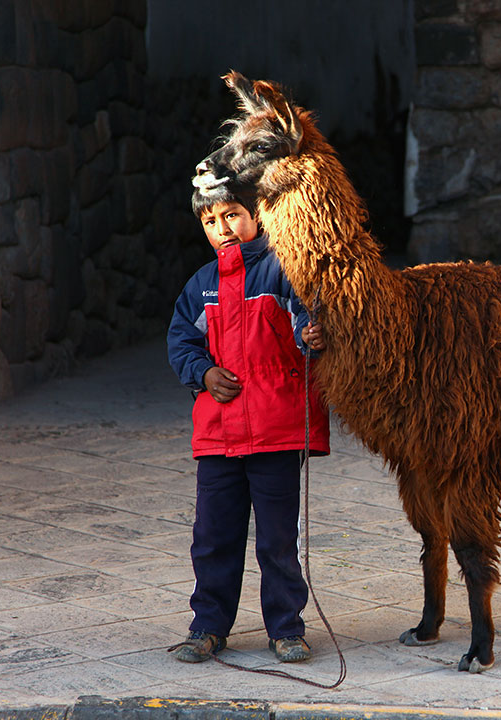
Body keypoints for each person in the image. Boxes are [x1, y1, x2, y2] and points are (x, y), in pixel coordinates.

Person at [166, 186, 330, 664]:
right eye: (210, 221)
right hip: (218, 436)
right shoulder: (200, 286)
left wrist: (312, 336)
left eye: (233, 215)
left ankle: (286, 627)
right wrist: (202, 372)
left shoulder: (283, 272)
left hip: (276, 432)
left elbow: (307, 326)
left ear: (257, 214)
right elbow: (181, 342)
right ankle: (208, 626)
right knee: (213, 536)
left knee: (279, 539)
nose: (223, 229)